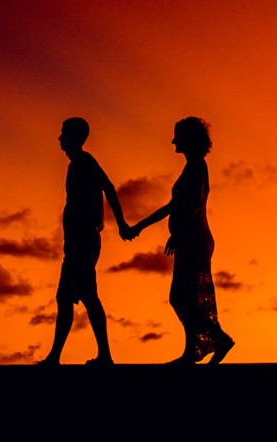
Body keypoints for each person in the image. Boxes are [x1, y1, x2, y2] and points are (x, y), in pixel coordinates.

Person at [127, 117, 234, 364]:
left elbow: (194, 203)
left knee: (181, 296)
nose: (174, 140)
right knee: (185, 296)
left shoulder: (197, 166)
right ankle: (191, 352)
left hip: (194, 238)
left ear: (189, 139)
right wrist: (140, 226)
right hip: (190, 237)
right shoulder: (191, 167)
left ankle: (219, 339)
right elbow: (172, 206)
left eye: (178, 136)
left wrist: (178, 233)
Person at [39, 118, 132, 365]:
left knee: (86, 295)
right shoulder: (77, 164)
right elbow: (107, 188)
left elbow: (109, 188)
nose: (59, 139)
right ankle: (57, 357)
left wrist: (121, 223)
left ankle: (103, 357)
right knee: (66, 296)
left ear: (74, 137)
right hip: (77, 239)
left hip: (83, 239)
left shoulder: (84, 161)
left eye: (63, 134)